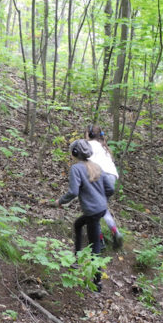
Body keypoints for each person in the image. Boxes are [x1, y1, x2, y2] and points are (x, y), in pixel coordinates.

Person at [58, 139, 114, 292]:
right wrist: (102, 200)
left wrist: (61, 201)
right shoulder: (96, 166)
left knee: (95, 245)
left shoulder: (76, 168)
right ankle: (76, 258)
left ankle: (97, 283)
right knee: (77, 224)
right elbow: (110, 189)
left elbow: (73, 192)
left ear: (75, 153)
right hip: (100, 209)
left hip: (92, 212)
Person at [85, 124, 123, 249]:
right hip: (112, 176)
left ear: (89, 134)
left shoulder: (88, 145)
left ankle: (99, 240)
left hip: (100, 175)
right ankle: (114, 231)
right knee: (102, 207)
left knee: (93, 208)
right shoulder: (104, 147)